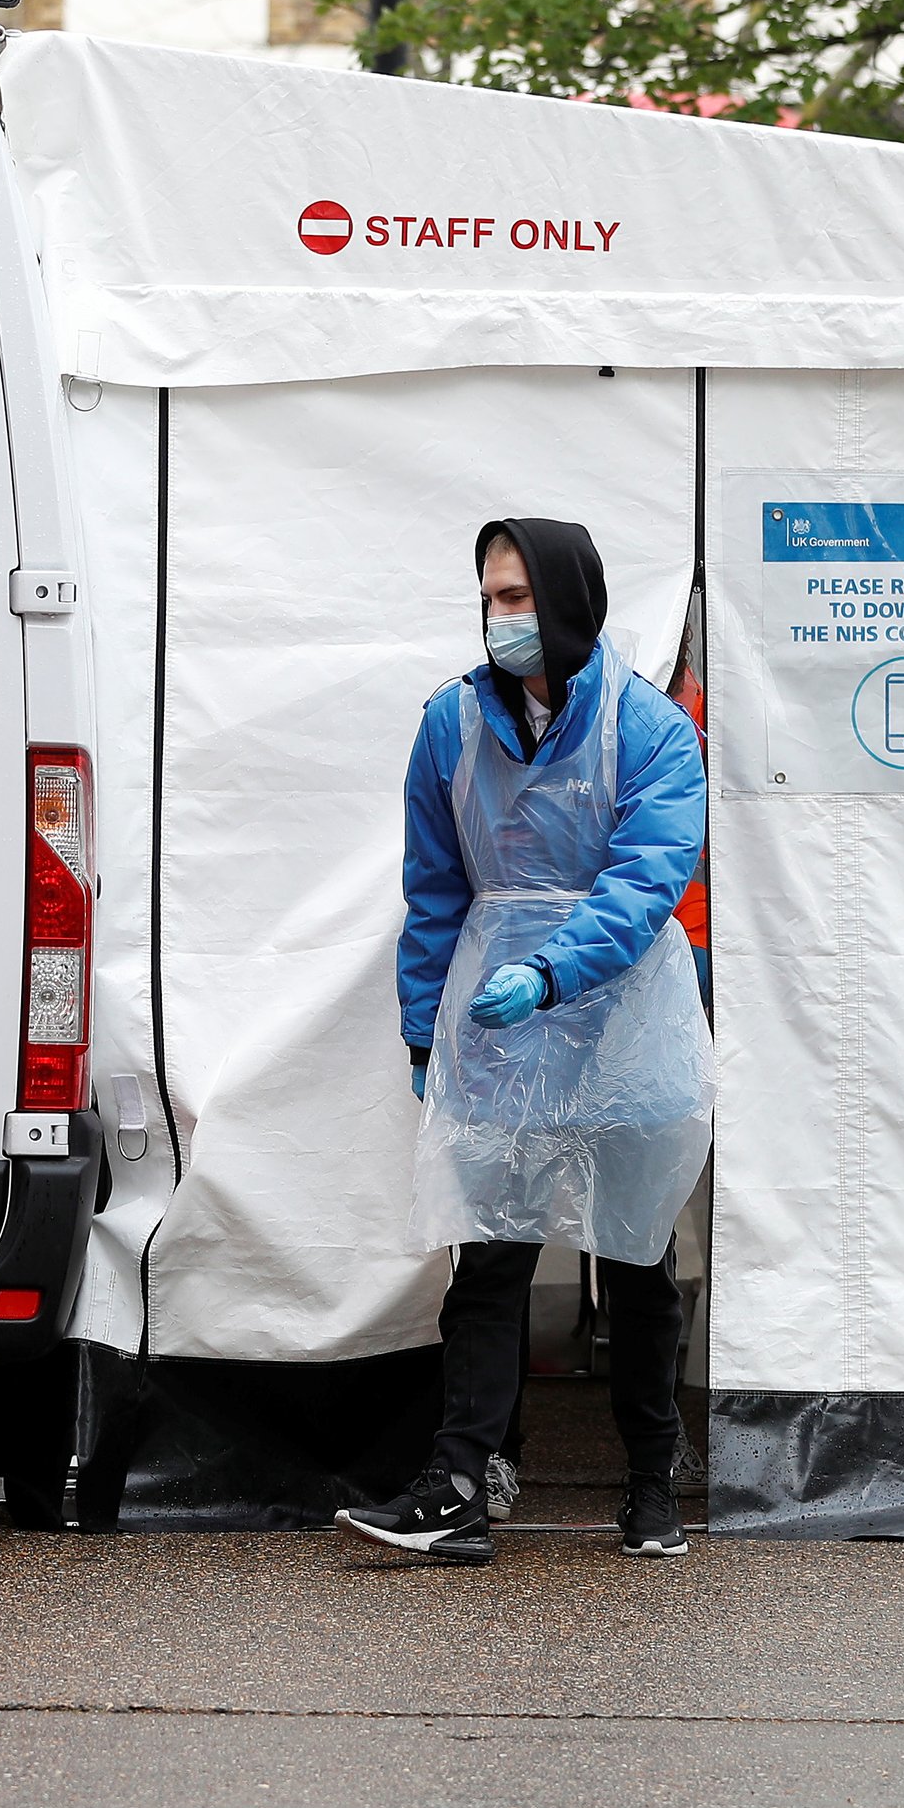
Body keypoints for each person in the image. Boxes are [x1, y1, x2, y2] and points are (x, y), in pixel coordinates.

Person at [339, 519, 711, 1566]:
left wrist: (552, 971)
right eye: (492, 598)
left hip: (624, 1020)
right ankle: (460, 1484)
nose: (504, 619)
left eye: (521, 598)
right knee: (490, 1249)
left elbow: (647, 882)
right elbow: (435, 888)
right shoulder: (448, 724)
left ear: (573, 602)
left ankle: (650, 1480)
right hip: (499, 1021)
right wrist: (425, 1031)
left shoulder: (648, 730)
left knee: (633, 1253)